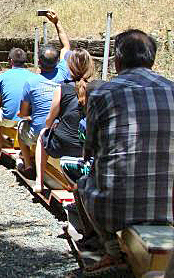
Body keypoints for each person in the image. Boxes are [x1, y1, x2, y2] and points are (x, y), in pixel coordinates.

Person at [77, 29, 174, 276]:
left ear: (117, 61)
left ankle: (110, 249)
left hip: (115, 209)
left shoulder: (101, 92)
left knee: (83, 182)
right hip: (169, 207)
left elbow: (91, 149)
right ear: (152, 60)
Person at [15, 10, 73, 176]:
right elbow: (66, 46)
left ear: (39, 62)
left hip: (41, 132)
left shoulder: (31, 82)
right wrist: (57, 22)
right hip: (61, 131)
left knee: (21, 127)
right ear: (58, 62)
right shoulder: (64, 72)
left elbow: (24, 113)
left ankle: (27, 165)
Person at [33, 49, 98, 193]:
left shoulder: (62, 89)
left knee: (43, 134)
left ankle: (39, 181)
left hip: (64, 144)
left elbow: (49, 121)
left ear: (70, 67)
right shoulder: (98, 88)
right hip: (88, 147)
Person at [0, 48, 34, 154]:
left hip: (9, 119)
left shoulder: (2, 77)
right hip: (27, 118)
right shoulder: (33, 77)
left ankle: (0, 145)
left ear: (10, 61)